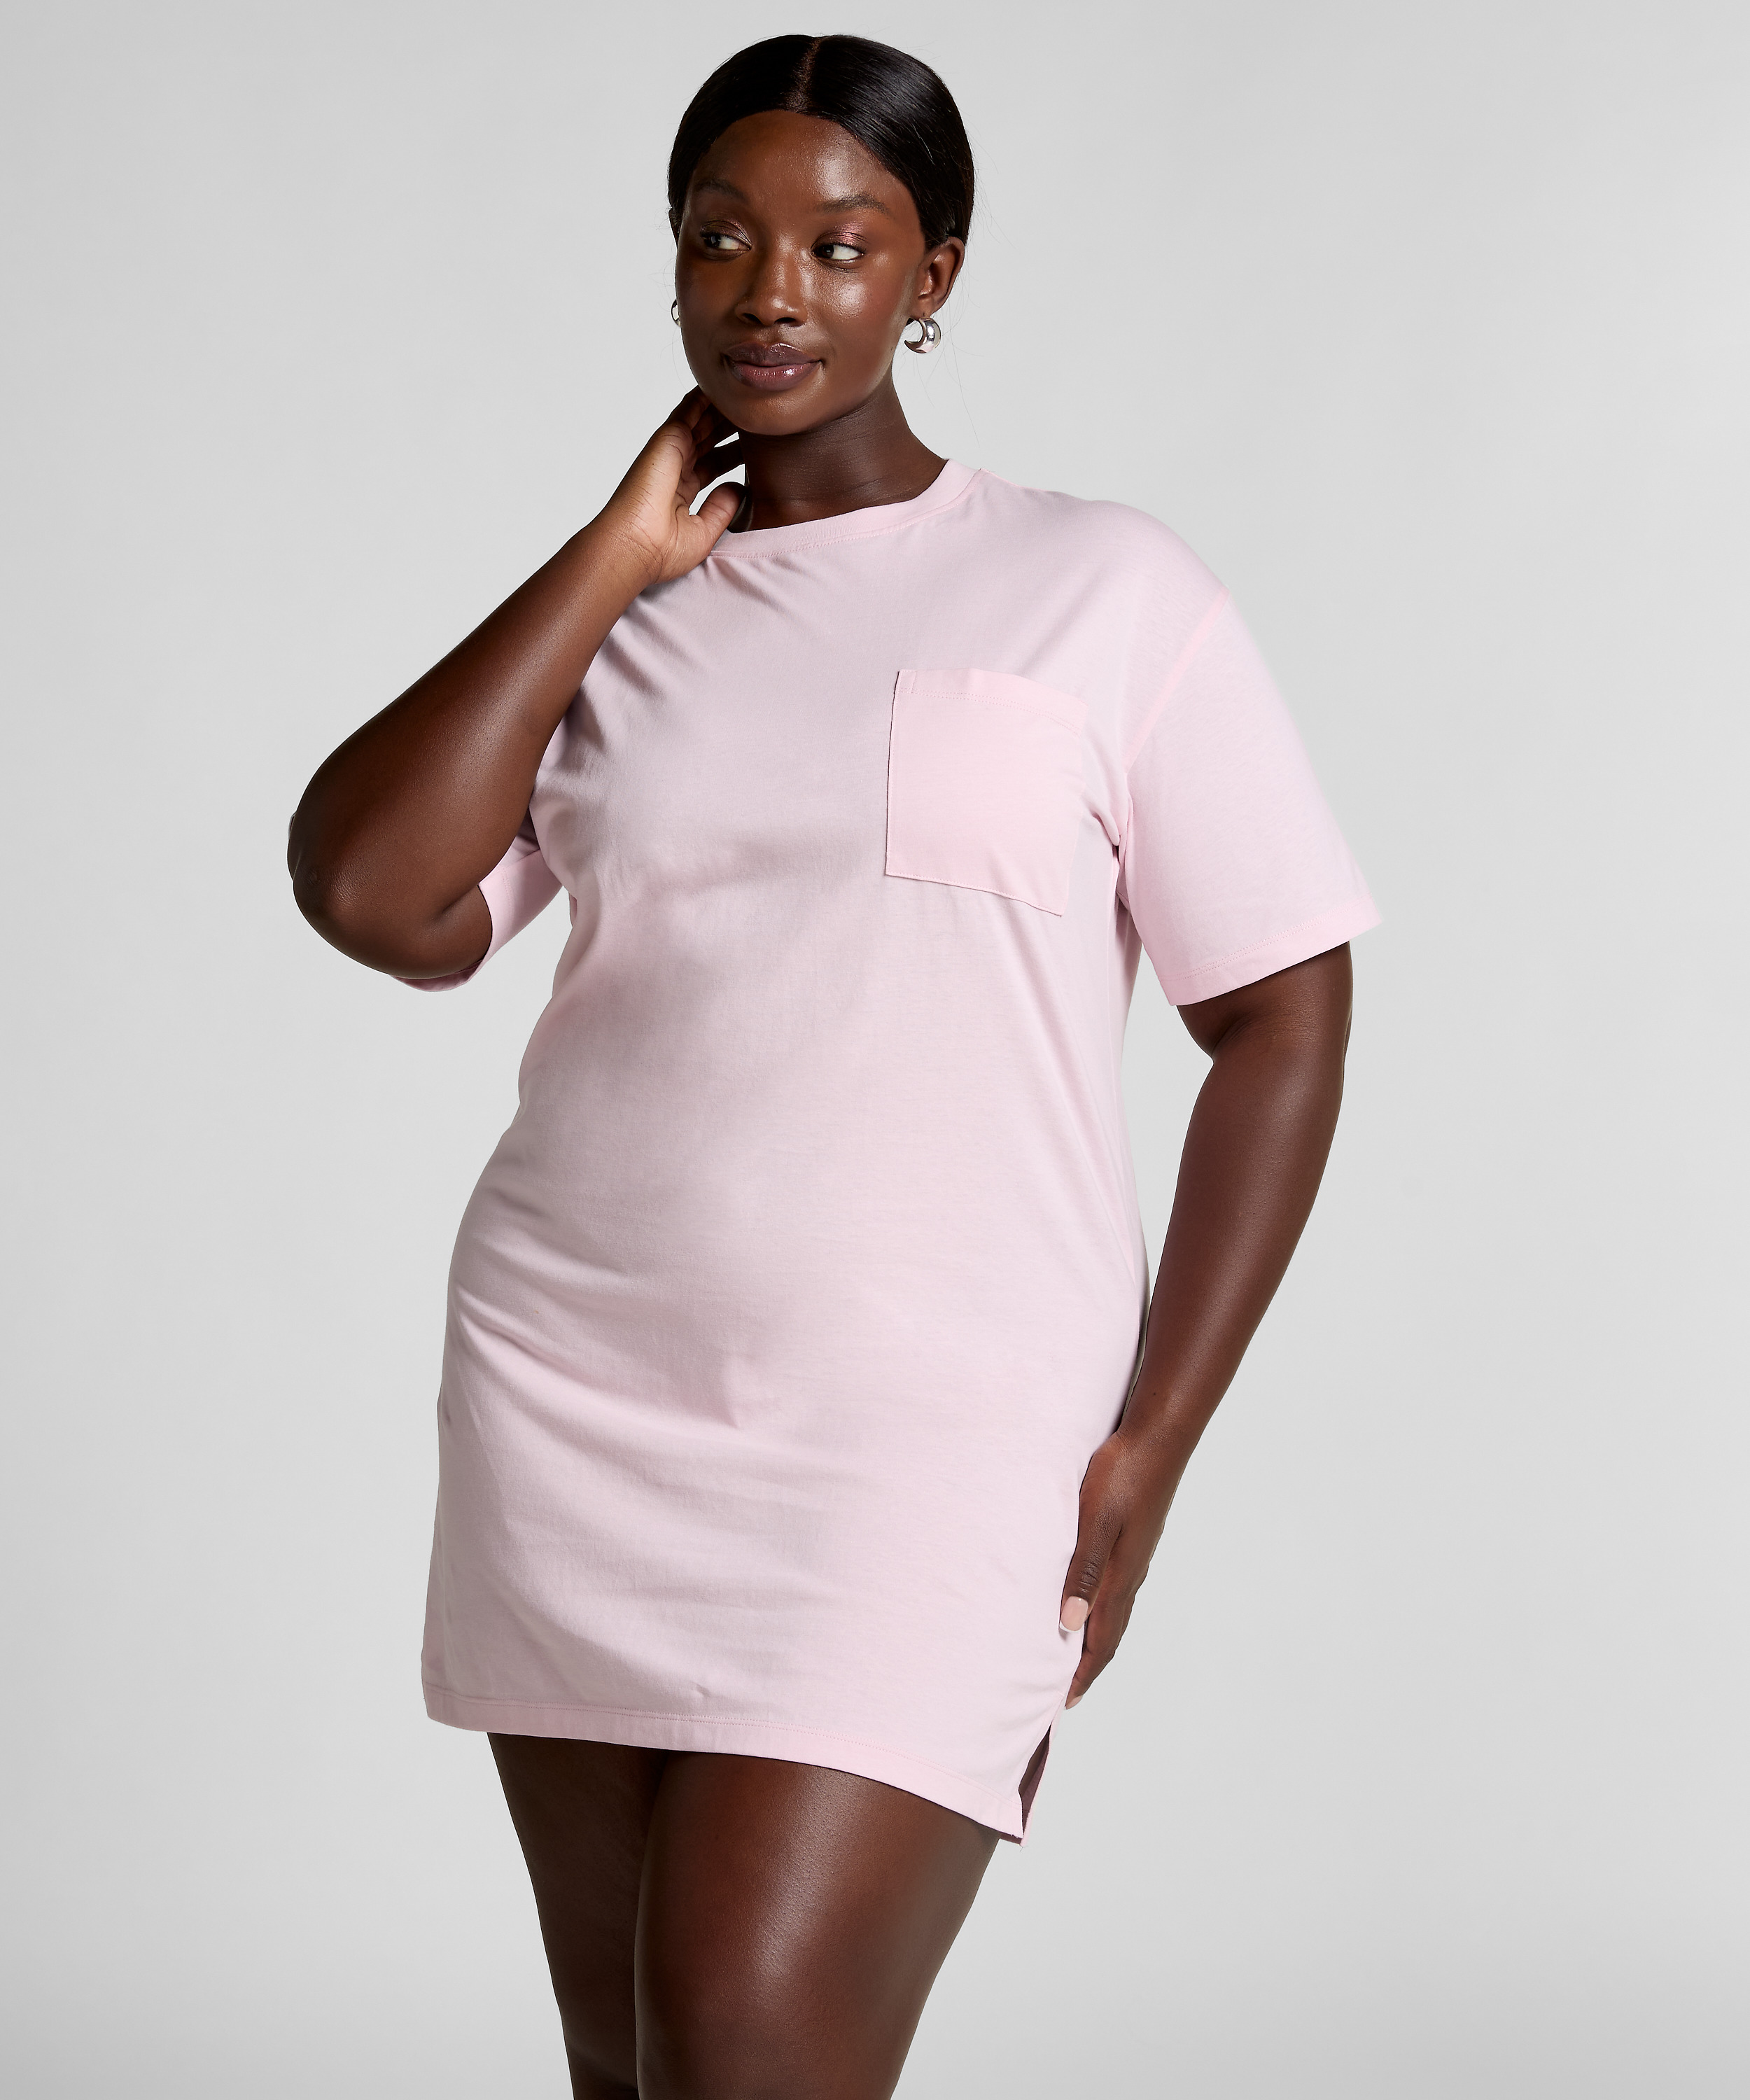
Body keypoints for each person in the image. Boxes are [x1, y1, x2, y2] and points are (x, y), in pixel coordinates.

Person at [288, 31, 1377, 2100]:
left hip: (930, 1443)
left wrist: (1153, 1437)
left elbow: (1282, 1016)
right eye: (719, 240)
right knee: (632, 2064)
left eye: (839, 244)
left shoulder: (1102, 589)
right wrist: (613, 554)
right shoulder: (619, 627)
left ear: (931, 275)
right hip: (577, 1397)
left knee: (745, 2036)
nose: (769, 290)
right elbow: (373, 894)